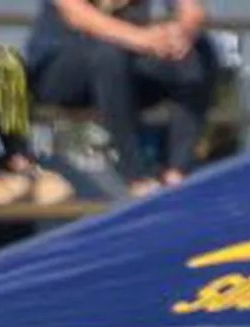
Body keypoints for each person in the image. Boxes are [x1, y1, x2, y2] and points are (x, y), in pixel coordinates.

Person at [25, 0, 216, 195]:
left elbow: (192, 9)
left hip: (126, 60)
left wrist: (182, 33)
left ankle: (177, 172)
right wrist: (141, 38)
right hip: (60, 68)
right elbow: (75, 14)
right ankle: (136, 177)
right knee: (107, 54)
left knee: (199, 50)